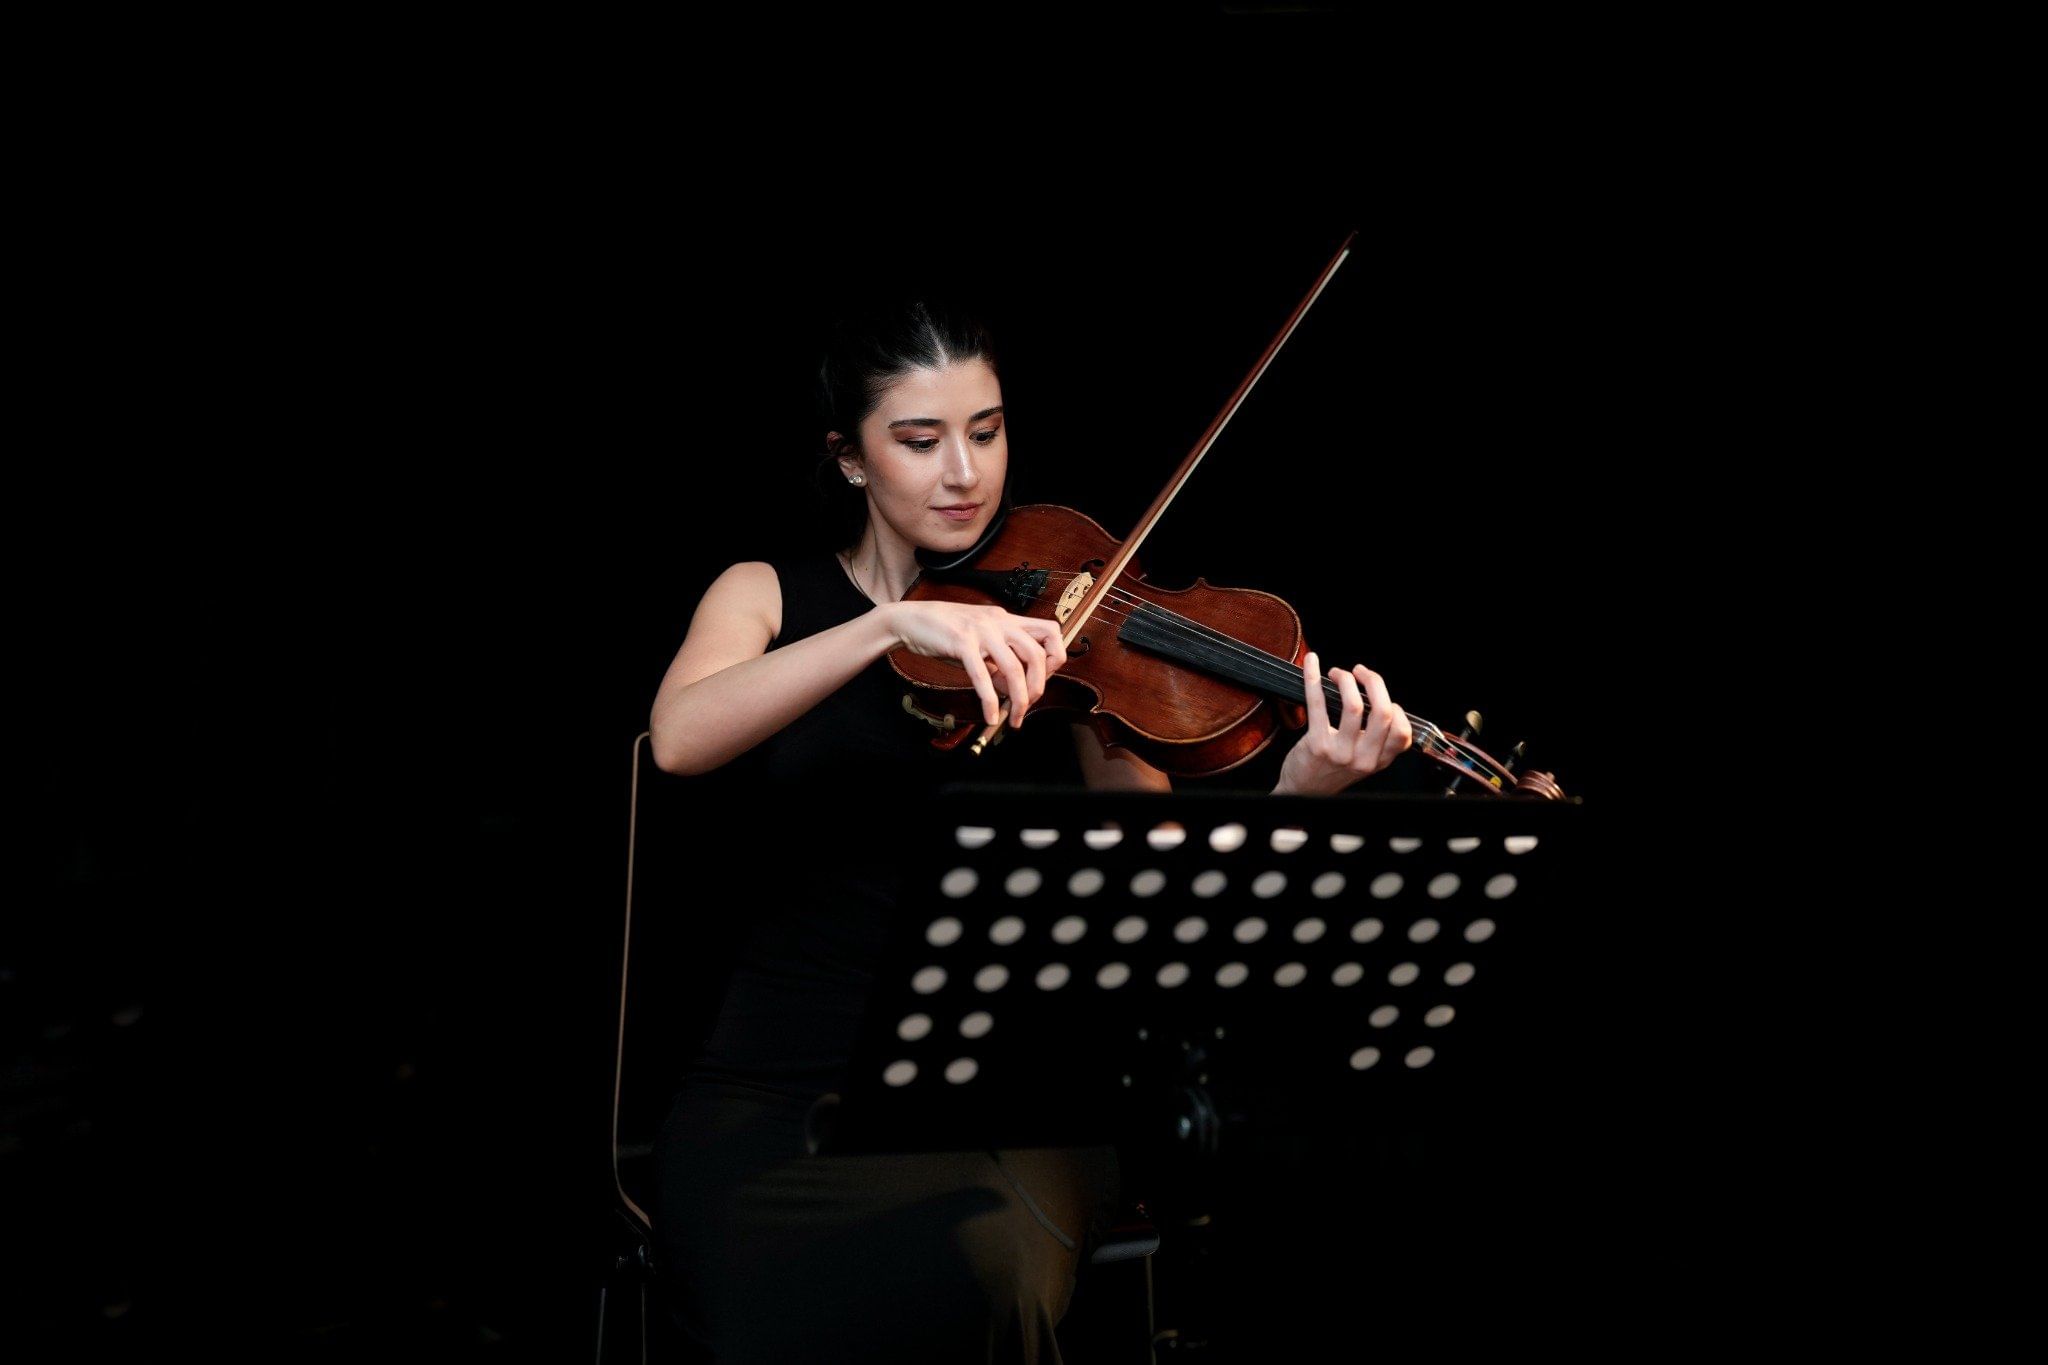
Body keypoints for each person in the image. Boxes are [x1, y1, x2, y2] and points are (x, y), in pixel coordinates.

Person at [644, 294, 1412, 1363]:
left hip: (997, 1104)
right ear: (851, 458)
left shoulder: (1068, 626)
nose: (964, 473)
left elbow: (1158, 891)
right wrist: (886, 626)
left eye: (985, 430)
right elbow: (679, 737)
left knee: (981, 1267)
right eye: (919, 440)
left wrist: (1297, 797)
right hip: (769, 1096)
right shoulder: (768, 594)